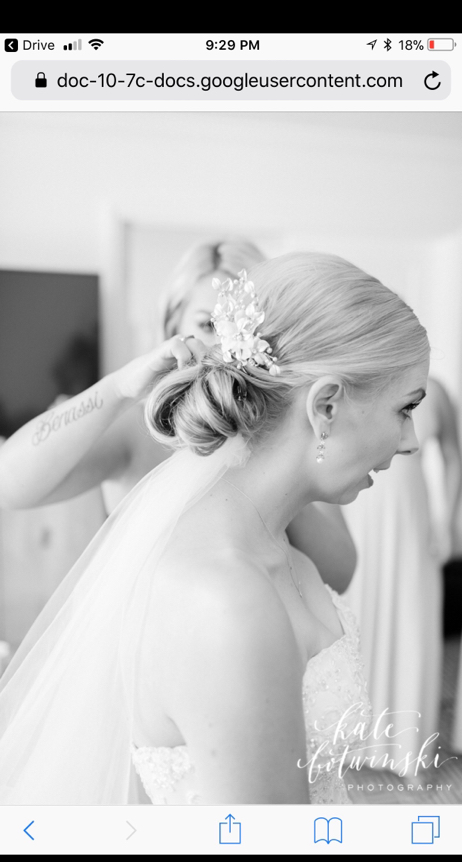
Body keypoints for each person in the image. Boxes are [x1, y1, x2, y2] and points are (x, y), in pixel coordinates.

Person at [0, 252, 430, 805]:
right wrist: (119, 386)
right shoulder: (220, 597)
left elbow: (340, 566)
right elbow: (13, 478)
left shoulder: (287, 554)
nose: (412, 440)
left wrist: (285, 478)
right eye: (404, 409)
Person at [0, 240, 356, 596]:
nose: (225, 347)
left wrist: (277, 465)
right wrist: (117, 388)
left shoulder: (293, 429)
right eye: (207, 324)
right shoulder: (139, 429)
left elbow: (339, 574)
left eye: (243, 329)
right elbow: (9, 482)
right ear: (174, 324)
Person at [342, 377, 462, 772]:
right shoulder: (354, 385)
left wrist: (446, 524)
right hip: (359, 512)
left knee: (414, 622)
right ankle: (355, 742)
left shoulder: (436, 392)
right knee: (357, 620)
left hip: (413, 519)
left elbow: (451, 456)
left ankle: (409, 751)